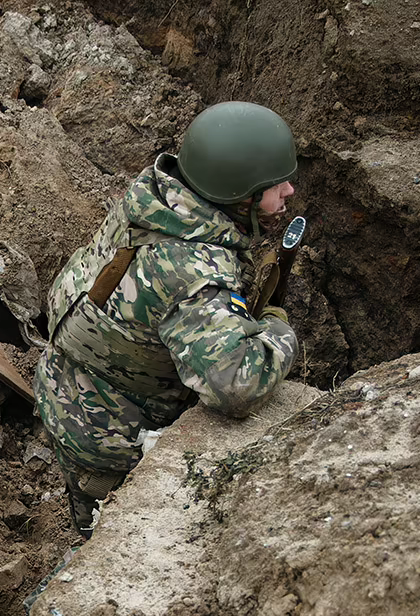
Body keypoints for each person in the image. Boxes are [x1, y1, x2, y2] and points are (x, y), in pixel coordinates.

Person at [35, 101, 303, 536]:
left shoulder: (157, 201)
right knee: (111, 537)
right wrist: (276, 326)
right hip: (107, 435)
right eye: (276, 186)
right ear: (241, 195)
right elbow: (237, 386)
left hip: (66, 384)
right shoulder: (192, 273)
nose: (289, 190)